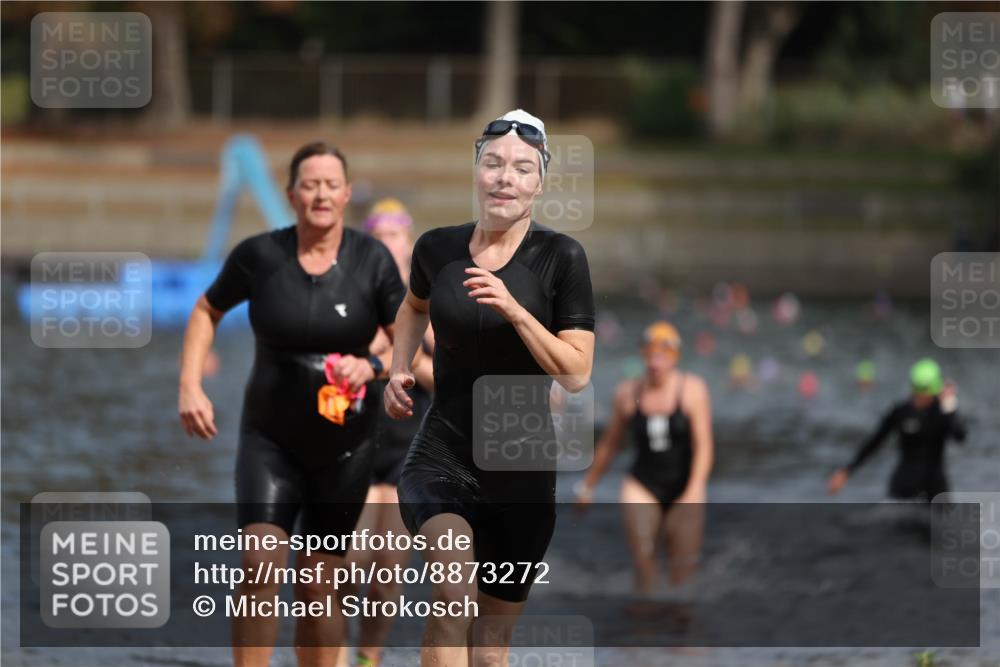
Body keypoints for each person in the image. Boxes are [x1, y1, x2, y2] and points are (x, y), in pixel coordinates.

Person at [178, 141, 405, 667]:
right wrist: (190, 385)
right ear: (291, 194)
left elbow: (406, 342)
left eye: (331, 184)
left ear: (346, 194)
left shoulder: (371, 261)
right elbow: (205, 311)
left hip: (345, 446)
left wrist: (371, 367)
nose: (320, 194)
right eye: (310, 184)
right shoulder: (259, 256)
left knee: (318, 584)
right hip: (269, 439)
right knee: (259, 562)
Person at [384, 109, 595, 667]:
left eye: (522, 168)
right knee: (452, 596)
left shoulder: (562, 259)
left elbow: (576, 374)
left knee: (491, 650)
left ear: (540, 182)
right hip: (442, 456)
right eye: (494, 163)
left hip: (522, 472)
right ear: (476, 170)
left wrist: (517, 311)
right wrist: (398, 367)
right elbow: (412, 307)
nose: (506, 177)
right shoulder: (436, 248)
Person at [346, 199, 434, 667]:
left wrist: (404, 360)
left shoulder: (427, 305)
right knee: (349, 566)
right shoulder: (350, 296)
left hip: (405, 452)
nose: (386, 244)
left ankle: (368, 657)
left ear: (408, 242)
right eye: (377, 237)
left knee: (386, 577)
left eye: (394, 236)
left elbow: (448, 380)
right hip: (355, 442)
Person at [576, 322, 714, 593]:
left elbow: (704, 446)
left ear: (675, 358)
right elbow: (610, 444)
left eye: (662, 356)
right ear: (643, 355)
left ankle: (677, 628)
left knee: (682, 573)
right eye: (650, 355)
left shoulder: (692, 390)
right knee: (644, 563)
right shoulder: (628, 393)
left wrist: (695, 489)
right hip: (642, 485)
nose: (655, 363)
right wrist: (587, 487)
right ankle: (645, 621)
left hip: (685, 486)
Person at [827, 358, 967, 501]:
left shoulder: (943, 412)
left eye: (923, 390)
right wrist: (847, 471)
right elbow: (875, 441)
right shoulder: (901, 411)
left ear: (935, 389)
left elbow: (961, 437)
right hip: (904, 487)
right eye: (916, 389)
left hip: (935, 489)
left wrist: (950, 406)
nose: (919, 396)